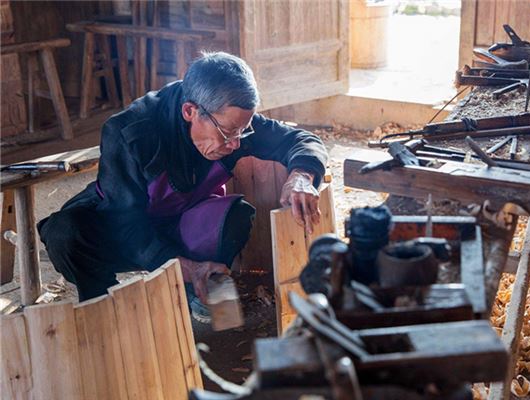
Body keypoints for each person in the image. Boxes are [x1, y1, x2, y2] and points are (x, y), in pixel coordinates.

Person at [38, 52, 328, 312]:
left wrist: (301, 177)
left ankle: (206, 302)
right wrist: (187, 268)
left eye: (243, 131)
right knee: (64, 233)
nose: (236, 142)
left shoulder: (231, 119)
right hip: (124, 229)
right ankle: (101, 306)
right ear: (190, 111)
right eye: (228, 133)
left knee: (237, 215)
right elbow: (125, 224)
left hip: (181, 221)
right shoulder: (130, 132)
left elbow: (301, 140)